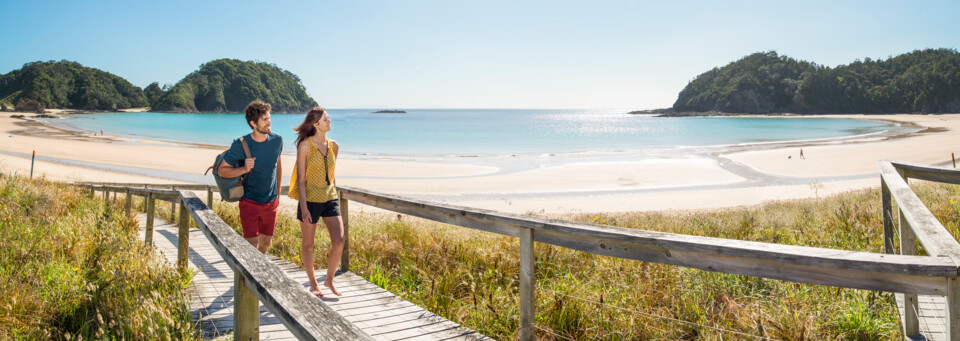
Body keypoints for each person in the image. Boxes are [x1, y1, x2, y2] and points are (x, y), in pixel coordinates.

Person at [289, 107, 344, 297]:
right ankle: (313, 283)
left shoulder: (334, 146)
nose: (329, 121)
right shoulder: (305, 146)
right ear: (315, 124)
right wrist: (303, 207)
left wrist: (334, 192)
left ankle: (329, 280)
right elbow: (301, 180)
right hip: (310, 200)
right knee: (308, 244)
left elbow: (332, 172)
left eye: (328, 118)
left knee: (339, 241)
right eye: (326, 119)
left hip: (330, 198)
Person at [217, 100, 283, 254]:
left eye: (269, 118)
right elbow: (222, 171)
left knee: (266, 243)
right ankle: (250, 276)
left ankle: (260, 271)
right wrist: (244, 169)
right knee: (251, 245)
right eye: (265, 119)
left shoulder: (277, 140)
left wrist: (277, 195)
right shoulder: (241, 144)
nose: (269, 122)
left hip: (271, 202)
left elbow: (278, 166)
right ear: (253, 123)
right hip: (249, 202)